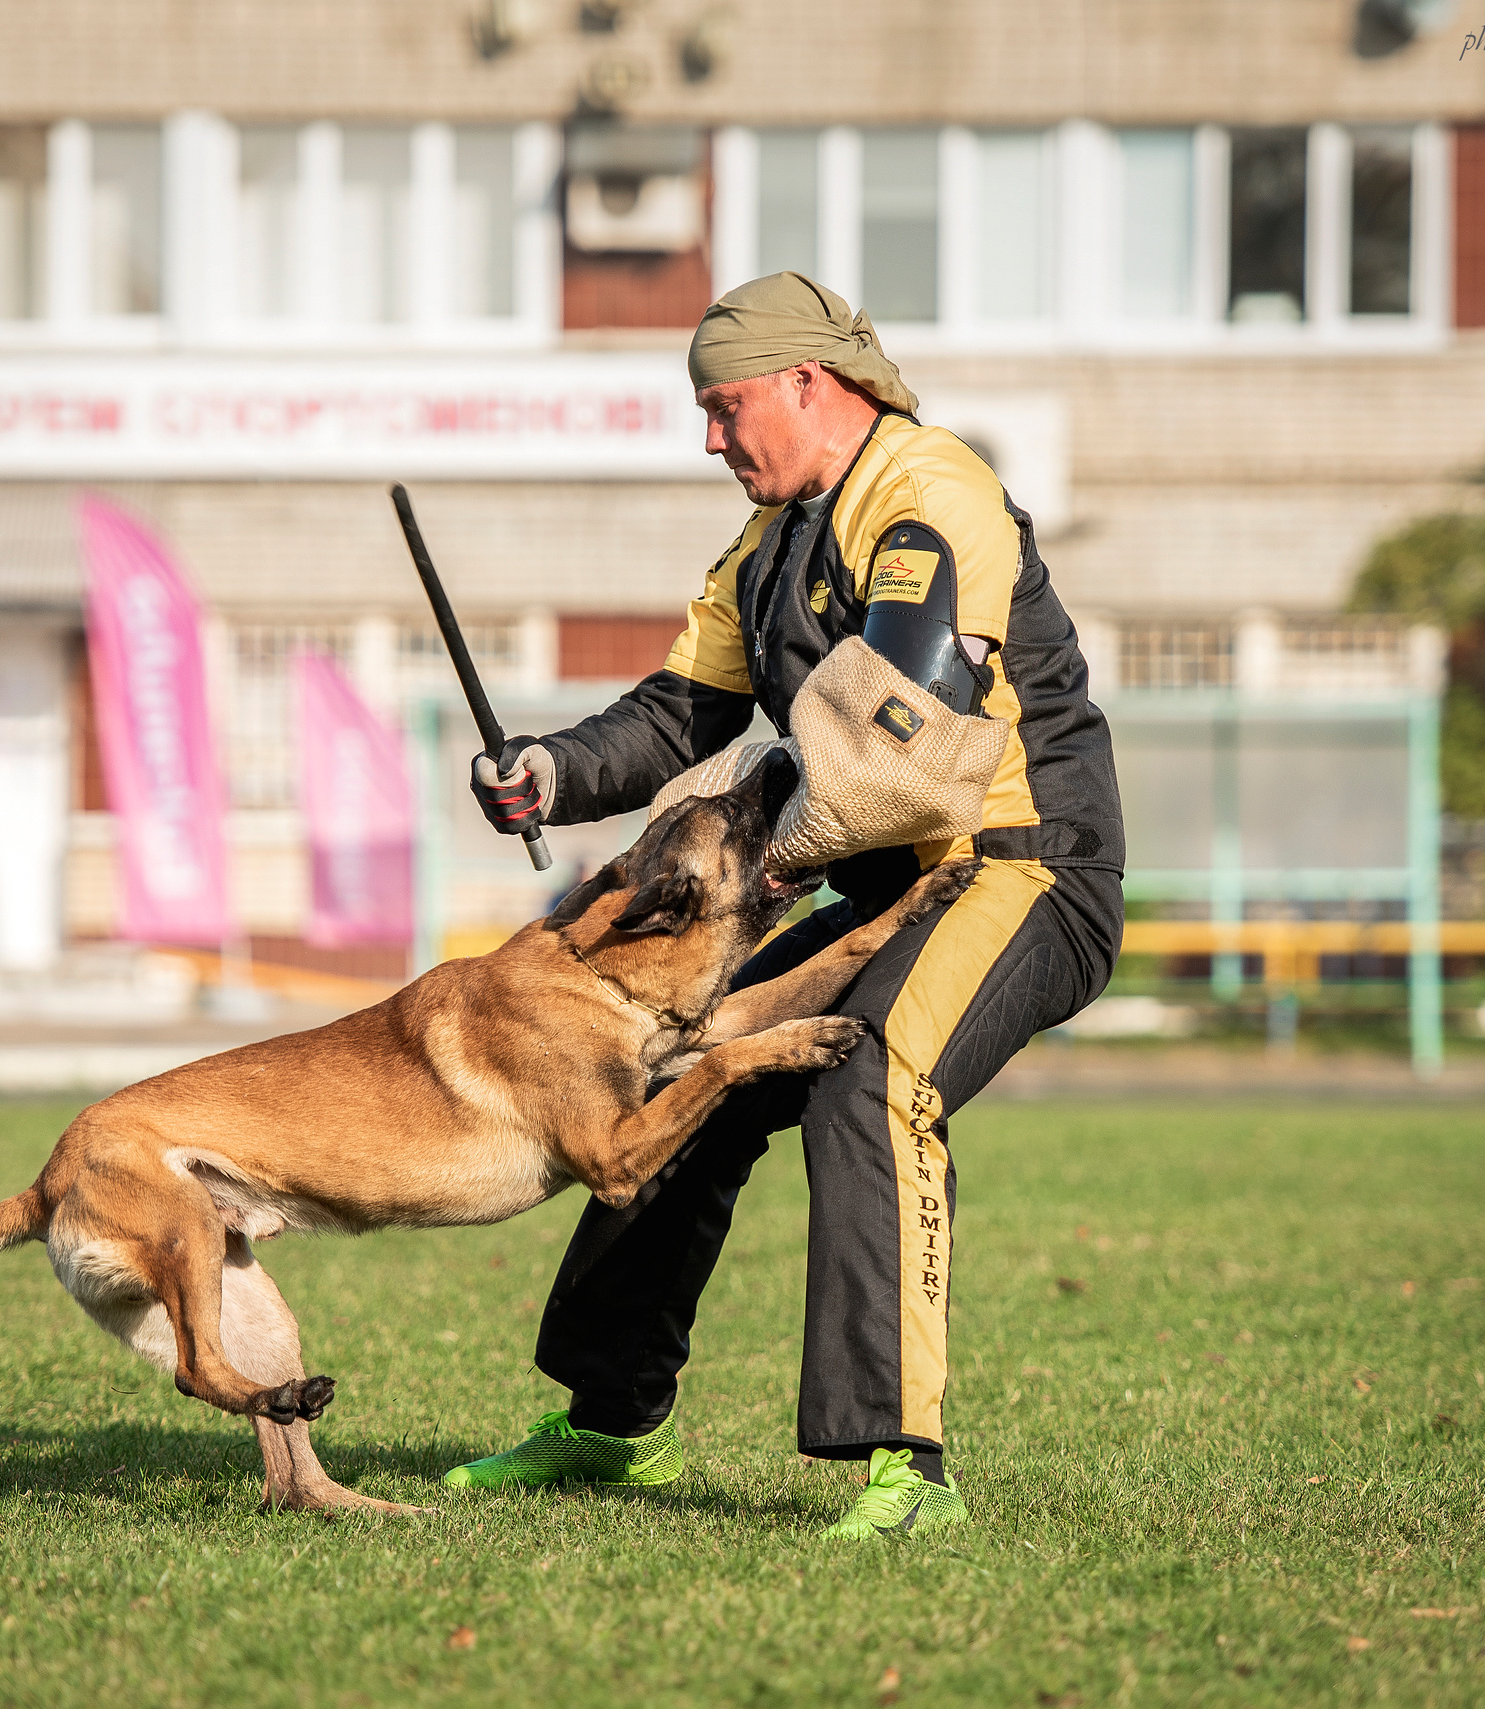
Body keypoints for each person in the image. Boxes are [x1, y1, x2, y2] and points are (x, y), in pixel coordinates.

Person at [441, 273, 1125, 1539]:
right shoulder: (763, 551)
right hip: (896, 886)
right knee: (683, 1089)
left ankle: (908, 1472)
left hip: (1023, 871)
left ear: (810, 385)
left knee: (873, 1082)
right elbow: (678, 715)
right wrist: (549, 769)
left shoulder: (933, 494)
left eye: (723, 406)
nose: (710, 437)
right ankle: (608, 1424)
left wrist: (766, 867)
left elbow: (897, 726)